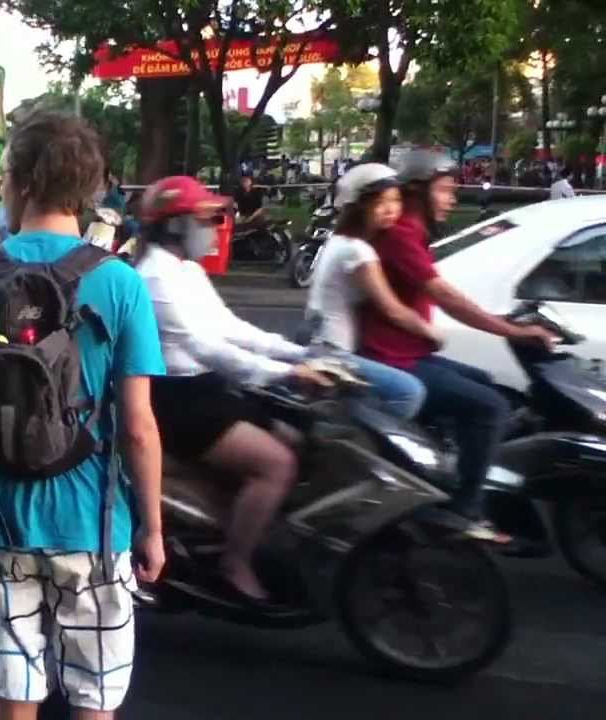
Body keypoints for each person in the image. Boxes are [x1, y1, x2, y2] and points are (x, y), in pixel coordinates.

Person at [0, 112, 166, 718]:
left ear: (18, 181)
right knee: (94, 694)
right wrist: (152, 527)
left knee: (15, 685)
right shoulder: (119, 284)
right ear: (89, 190)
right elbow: (138, 426)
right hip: (93, 523)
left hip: (0, 521)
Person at [133, 175, 330, 604]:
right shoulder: (154, 279)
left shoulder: (185, 270)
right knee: (277, 464)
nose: (215, 226)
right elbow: (205, 346)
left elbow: (229, 327)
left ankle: (242, 531)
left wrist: (294, 355)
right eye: (205, 218)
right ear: (174, 224)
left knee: (294, 434)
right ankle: (235, 564)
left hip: (206, 387)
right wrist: (285, 374)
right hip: (178, 400)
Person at [360, 150, 558, 541]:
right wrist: (513, 331)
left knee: (487, 384)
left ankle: (453, 469)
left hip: (408, 353)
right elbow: (447, 298)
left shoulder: (409, 232)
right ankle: (462, 509)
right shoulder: (400, 235)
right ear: (417, 192)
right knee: (492, 407)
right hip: (392, 361)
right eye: (446, 190)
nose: (453, 198)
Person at [305, 164, 431, 421]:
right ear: (360, 205)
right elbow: (392, 309)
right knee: (409, 392)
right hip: (335, 353)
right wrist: (432, 334)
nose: (391, 209)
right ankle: (363, 444)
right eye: (380, 202)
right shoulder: (358, 251)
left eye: (396, 200)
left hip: (320, 342)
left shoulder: (337, 241)